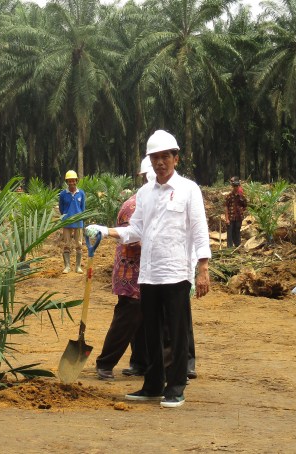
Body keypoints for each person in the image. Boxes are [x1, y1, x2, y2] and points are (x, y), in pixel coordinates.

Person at [91, 130, 211, 408]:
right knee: (151, 333)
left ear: (175, 159)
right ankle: (153, 385)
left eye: (165, 157)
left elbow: (199, 229)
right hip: (149, 274)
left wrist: (202, 267)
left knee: (176, 332)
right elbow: (136, 230)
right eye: (154, 157)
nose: (160, 162)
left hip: (176, 272)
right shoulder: (144, 193)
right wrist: (106, 231)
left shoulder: (189, 190)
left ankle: (176, 386)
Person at [95, 158, 154, 381]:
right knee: (127, 319)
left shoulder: (151, 201)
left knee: (143, 320)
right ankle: (105, 363)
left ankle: (140, 363)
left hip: (145, 272)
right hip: (131, 273)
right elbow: (132, 238)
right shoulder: (134, 206)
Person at [58, 170, 86, 274]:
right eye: (69, 181)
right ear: (67, 182)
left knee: (79, 244)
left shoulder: (81, 193)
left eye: (73, 181)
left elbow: (83, 208)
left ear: (76, 181)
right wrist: (66, 217)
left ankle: (78, 266)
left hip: (78, 222)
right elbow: (61, 208)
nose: (71, 183)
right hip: (67, 222)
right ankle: (67, 266)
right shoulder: (63, 194)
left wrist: (80, 217)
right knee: (67, 244)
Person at [224, 176, 247, 247]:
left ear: (238, 186)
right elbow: (226, 207)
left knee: (237, 232)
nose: (235, 187)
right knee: (230, 233)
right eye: (234, 186)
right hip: (231, 217)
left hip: (238, 217)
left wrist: (241, 211)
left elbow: (245, 205)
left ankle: (238, 246)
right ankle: (229, 248)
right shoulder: (229, 196)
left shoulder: (242, 196)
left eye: (237, 186)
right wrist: (227, 218)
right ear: (232, 186)